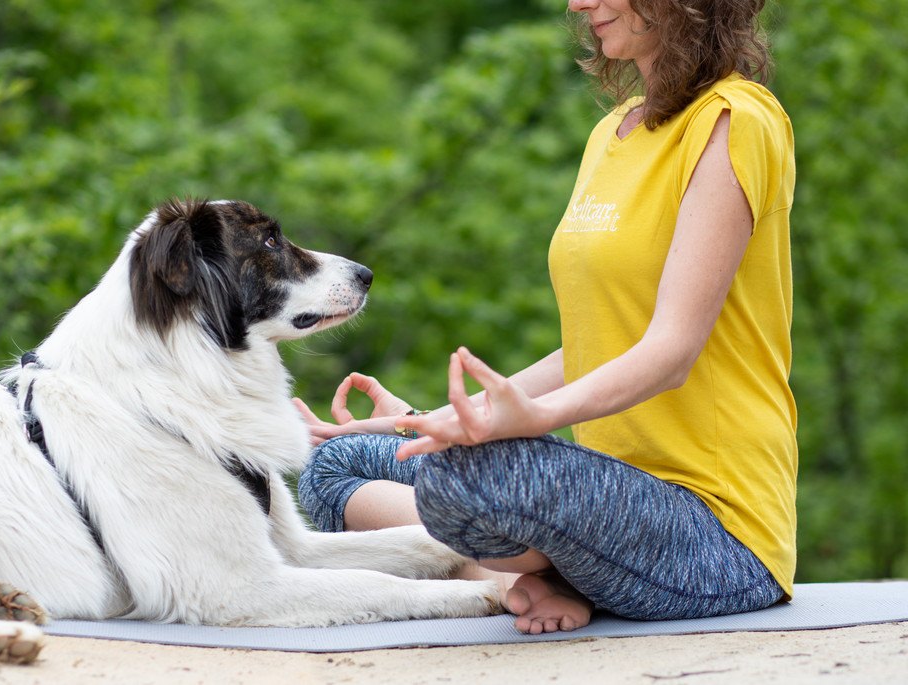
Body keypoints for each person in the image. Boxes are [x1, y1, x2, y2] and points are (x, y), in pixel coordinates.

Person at [293, 0, 796, 635]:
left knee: (466, 483)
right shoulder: (613, 132)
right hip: (596, 503)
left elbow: (671, 350)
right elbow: (598, 343)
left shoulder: (735, 119)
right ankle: (511, 582)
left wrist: (532, 422)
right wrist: (441, 420)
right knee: (335, 463)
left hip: (713, 534)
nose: (577, 4)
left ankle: (539, 572)